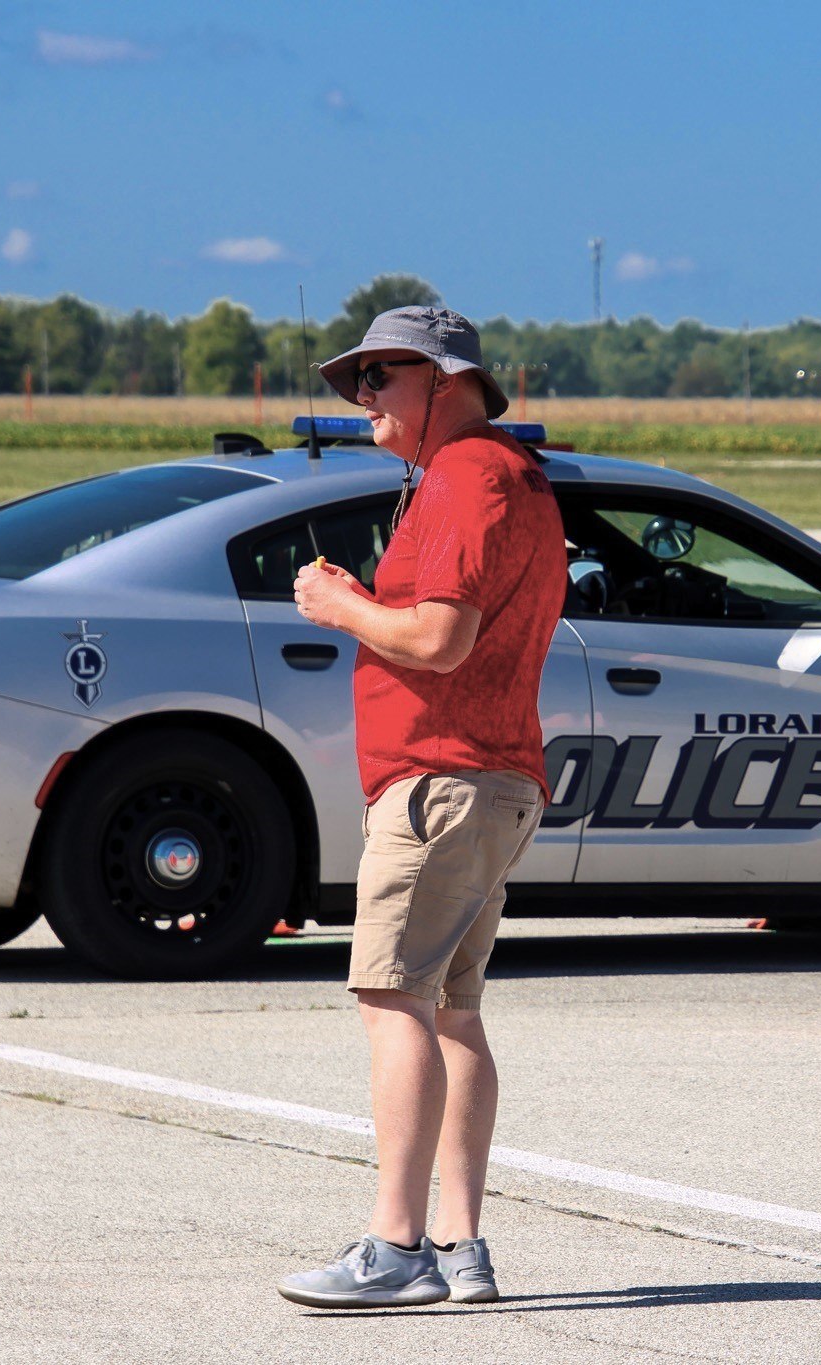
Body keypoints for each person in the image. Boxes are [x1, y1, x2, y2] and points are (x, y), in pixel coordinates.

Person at [276, 306, 564, 1310]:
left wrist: (337, 603)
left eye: (377, 377)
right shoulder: (505, 476)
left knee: (391, 998)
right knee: (451, 1008)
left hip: (441, 780)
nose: (360, 400)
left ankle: (396, 1249)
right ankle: (459, 1243)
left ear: (442, 379)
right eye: (353, 381)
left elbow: (439, 639)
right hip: (484, 778)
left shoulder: (466, 475)